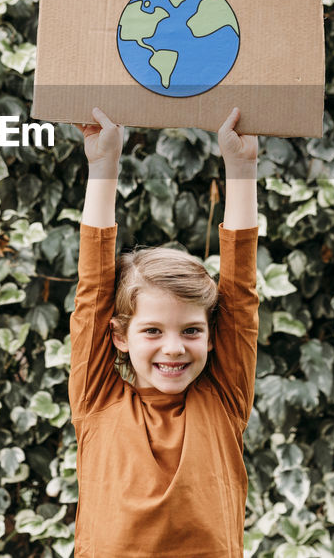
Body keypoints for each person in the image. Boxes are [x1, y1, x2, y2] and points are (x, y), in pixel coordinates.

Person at [70, 106, 259, 556]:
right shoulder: (97, 400)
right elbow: (92, 289)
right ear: (118, 335)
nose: (173, 348)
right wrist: (103, 166)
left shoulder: (224, 398)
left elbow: (241, 292)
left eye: (191, 331)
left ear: (213, 336)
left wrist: (242, 167)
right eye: (152, 331)